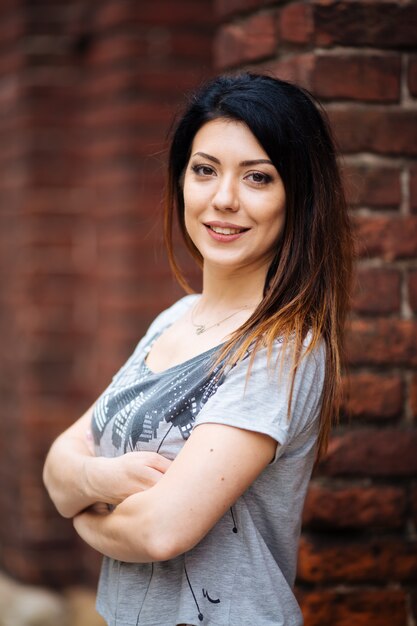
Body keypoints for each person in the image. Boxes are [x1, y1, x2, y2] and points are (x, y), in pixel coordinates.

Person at [43, 72, 353, 626]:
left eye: (258, 178)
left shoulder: (281, 348)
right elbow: (57, 462)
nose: (224, 199)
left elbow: (161, 530)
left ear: (298, 197)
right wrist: (104, 482)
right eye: (204, 171)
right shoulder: (174, 319)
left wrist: (81, 516)